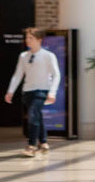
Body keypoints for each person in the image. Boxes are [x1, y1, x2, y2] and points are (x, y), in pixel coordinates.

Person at [4, 27, 60, 157]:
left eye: (31, 38)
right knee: (37, 117)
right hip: (28, 92)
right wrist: (10, 91)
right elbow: (18, 75)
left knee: (33, 116)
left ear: (39, 40)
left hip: (42, 91)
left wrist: (52, 92)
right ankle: (44, 143)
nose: (27, 40)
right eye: (27, 38)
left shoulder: (48, 56)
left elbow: (56, 75)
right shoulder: (23, 56)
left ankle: (32, 146)